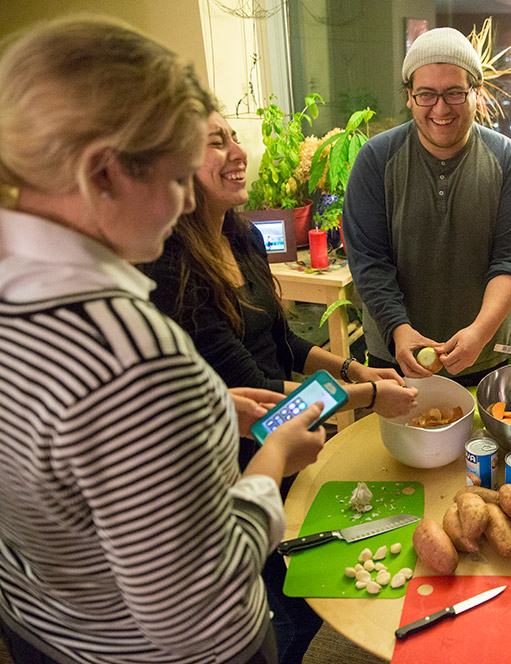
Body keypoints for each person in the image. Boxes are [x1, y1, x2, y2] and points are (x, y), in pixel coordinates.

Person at [0, 18, 325, 664]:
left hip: (41, 628)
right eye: (174, 179)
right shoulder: (131, 357)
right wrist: (272, 459)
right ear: (103, 174)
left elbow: (53, 452)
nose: (178, 206)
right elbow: (200, 615)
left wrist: (199, 419)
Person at [138, 111, 419, 664]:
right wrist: (365, 399)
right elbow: (263, 394)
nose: (238, 151)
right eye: (216, 143)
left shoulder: (240, 237)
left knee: (301, 591)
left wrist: (351, 370)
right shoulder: (174, 273)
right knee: (280, 608)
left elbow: (283, 341)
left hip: (280, 448)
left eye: (235, 137)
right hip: (235, 464)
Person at [342, 27, 511, 386]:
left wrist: (480, 333)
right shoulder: (376, 159)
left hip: (483, 357)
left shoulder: (507, 160)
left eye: (454, 93)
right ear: (409, 96)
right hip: (394, 358)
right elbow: (369, 261)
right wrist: (399, 330)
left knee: (479, 442)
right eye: (426, 95)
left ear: (475, 93)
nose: (440, 108)